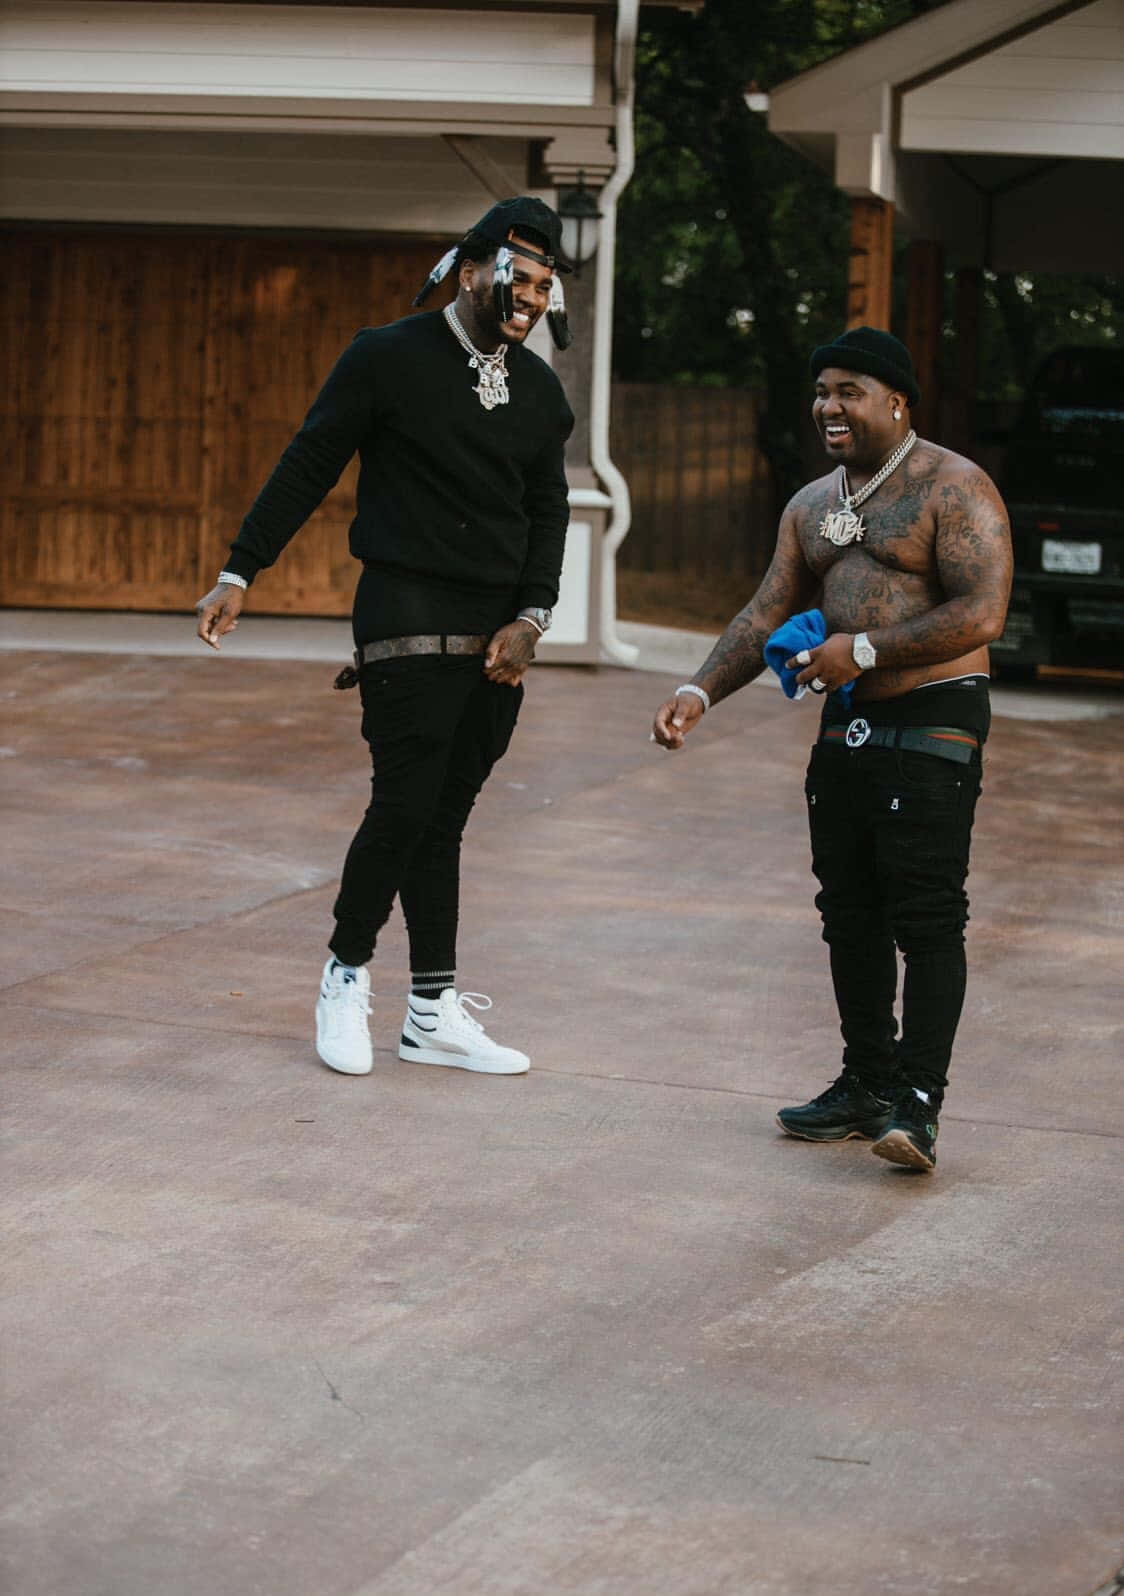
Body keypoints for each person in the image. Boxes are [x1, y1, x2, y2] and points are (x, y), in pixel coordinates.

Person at [195, 198, 575, 1079]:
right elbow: (309, 461)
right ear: (470, 271)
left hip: (497, 629)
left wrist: (533, 617)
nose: (531, 297)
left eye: (546, 286)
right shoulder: (387, 357)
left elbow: (548, 511)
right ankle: (345, 973)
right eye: (518, 277)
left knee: (444, 817)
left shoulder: (540, 391)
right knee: (405, 801)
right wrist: (241, 569)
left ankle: (432, 1011)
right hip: (404, 606)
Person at [652, 327, 1012, 1172]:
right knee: (848, 909)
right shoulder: (812, 504)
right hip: (847, 719)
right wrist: (699, 691)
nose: (829, 407)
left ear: (897, 402)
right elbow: (765, 612)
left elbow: (983, 612)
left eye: (850, 391)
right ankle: (865, 1085)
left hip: (935, 716)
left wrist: (869, 649)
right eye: (822, 392)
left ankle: (917, 1103)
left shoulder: (954, 486)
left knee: (926, 911)